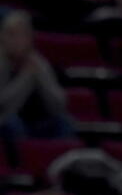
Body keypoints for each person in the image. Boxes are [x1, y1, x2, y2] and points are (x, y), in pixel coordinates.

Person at [0, 11, 74, 142]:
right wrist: (25, 78)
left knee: (65, 123)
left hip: (37, 122)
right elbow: (3, 105)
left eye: (22, 34)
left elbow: (59, 103)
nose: (17, 40)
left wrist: (40, 77)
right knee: (12, 123)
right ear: (2, 37)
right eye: (11, 34)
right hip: (8, 122)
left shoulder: (38, 63)